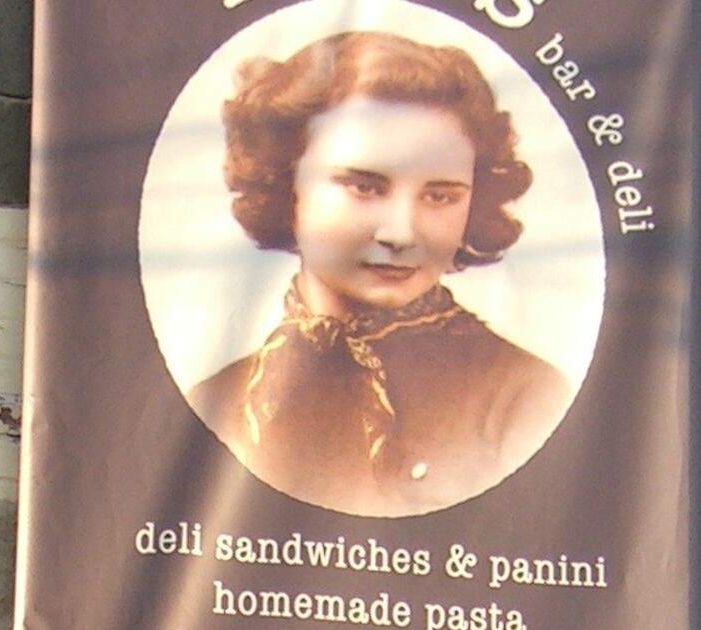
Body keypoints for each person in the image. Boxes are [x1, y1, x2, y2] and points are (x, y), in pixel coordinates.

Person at [189, 30, 575, 519]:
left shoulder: (527, 400)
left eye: (440, 196)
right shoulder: (215, 403)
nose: (401, 232)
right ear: (287, 186)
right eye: (365, 187)